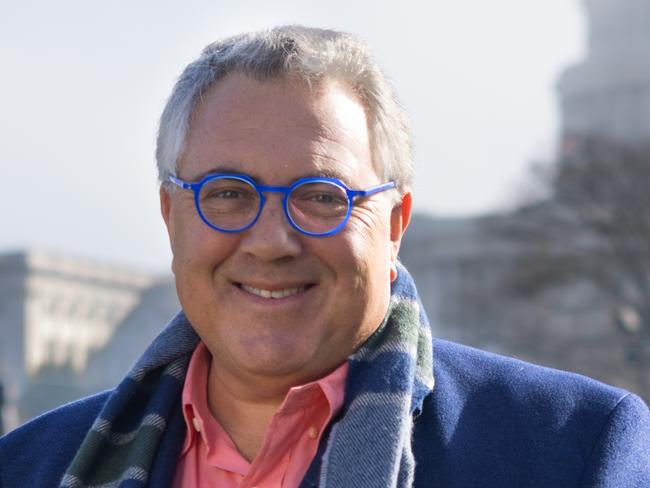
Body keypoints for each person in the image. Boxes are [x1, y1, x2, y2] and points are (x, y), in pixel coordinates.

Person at [1, 25, 649, 488]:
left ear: (395, 224)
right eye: (228, 194)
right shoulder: (28, 465)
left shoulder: (572, 453)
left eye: (321, 195)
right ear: (172, 220)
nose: (270, 241)